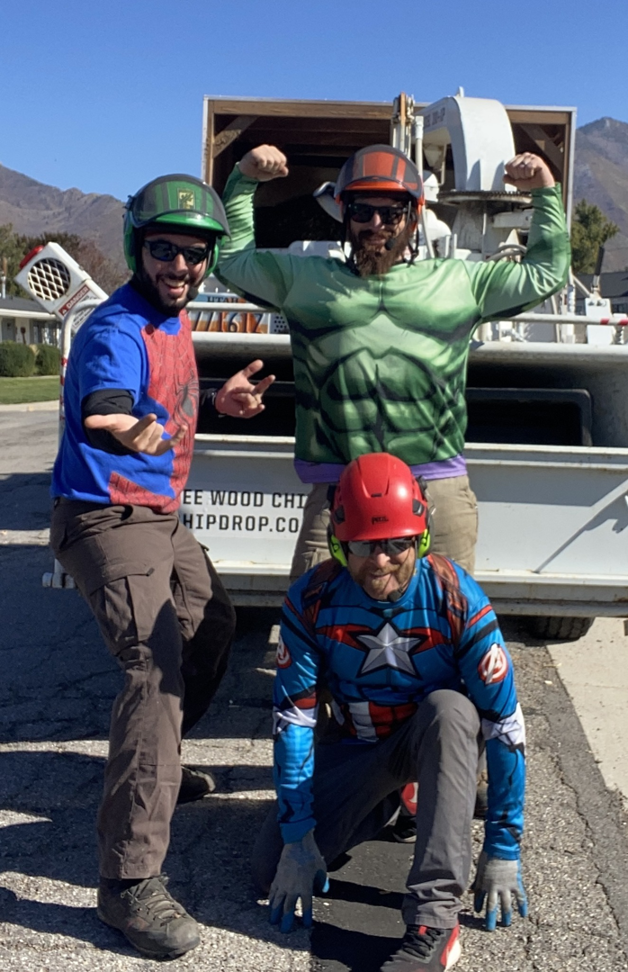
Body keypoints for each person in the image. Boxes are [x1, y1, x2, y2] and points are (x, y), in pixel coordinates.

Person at [49, 173, 275, 960]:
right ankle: (127, 881)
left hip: (158, 515)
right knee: (154, 667)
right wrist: (124, 427)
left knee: (214, 624)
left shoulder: (171, 320)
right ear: (137, 248)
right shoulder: (116, 325)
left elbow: (160, 397)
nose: (181, 264)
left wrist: (217, 403)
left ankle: (160, 769)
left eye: (195, 252)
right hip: (105, 513)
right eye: (164, 249)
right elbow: (107, 404)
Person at [217, 143, 570, 578]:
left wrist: (544, 192)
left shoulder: (460, 282)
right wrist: (244, 181)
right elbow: (231, 262)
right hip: (337, 490)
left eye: (391, 212)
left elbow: (545, 275)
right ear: (344, 213)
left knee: (445, 616)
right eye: (362, 210)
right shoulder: (303, 280)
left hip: (437, 488)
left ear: (414, 215)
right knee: (317, 616)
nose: (376, 224)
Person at [252, 452, 527, 972]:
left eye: (395, 544)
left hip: (434, 741)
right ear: (338, 542)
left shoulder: (456, 597)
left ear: (419, 539)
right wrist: (297, 837)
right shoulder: (312, 599)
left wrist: (503, 846)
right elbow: (294, 724)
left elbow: (505, 726)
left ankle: (434, 921)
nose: (379, 562)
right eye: (362, 545)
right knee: (269, 871)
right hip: (356, 747)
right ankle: (395, 804)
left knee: (452, 709)